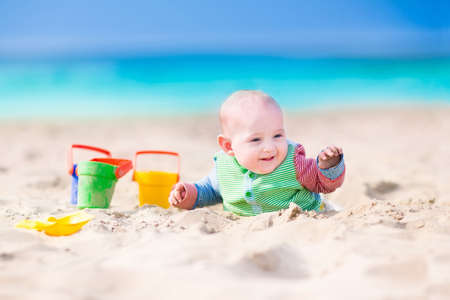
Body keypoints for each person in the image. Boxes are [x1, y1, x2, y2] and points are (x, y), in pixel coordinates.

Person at [169, 90, 345, 216]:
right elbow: (210, 192)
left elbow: (324, 183)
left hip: (309, 215)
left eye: (277, 135)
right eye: (255, 140)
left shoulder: (293, 163)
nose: (269, 147)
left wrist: (328, 166)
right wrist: (188, 195)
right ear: (229, 146)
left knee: (331, 208)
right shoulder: (224, 168)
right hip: (247, 227)